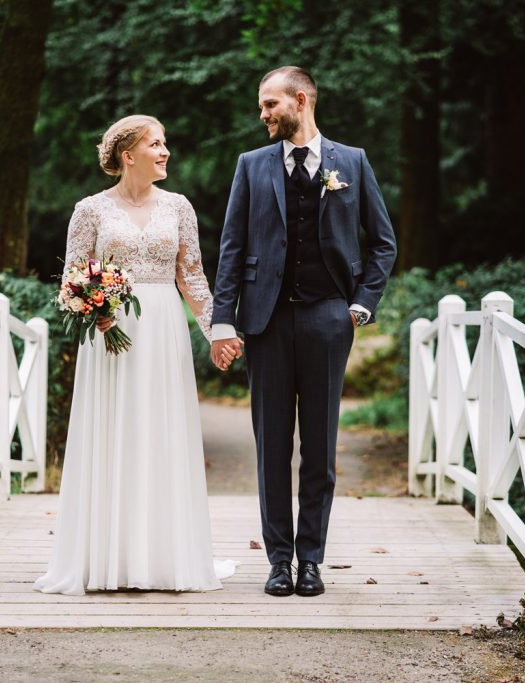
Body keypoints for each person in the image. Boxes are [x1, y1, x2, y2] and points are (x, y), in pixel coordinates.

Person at [210, 67, 397, 597]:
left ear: (301, 99)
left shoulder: (353, 163)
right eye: (261, 106)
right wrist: (225, 319)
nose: (263, 114)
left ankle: (311, 559)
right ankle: (278, 561)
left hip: (327, 320)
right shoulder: (251, 166)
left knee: (319, 447)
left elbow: (383, 242)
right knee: (271, 447)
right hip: (265, 323)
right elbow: (230, 248)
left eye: (270, 104)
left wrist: (360, 306)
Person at [34, 115, 237, 595]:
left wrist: (217, 332)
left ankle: (165, 557)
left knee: (161, 433)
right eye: (156, 144)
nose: (166, 151)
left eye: (166, 143)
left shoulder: (179, 207)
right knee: (114, 433)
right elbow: (71, 278)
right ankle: (106, 557)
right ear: (129, 156)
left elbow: (192, 276)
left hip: (164, 330)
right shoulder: (90, 210)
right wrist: (95, 309)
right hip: (110, 335)